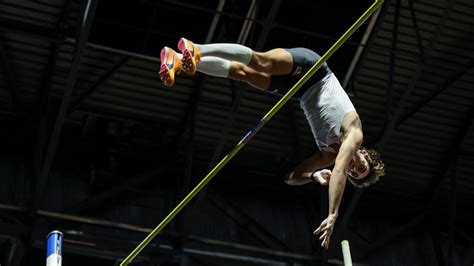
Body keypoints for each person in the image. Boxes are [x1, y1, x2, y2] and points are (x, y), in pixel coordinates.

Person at [159, 38, 385, 249]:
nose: (353, 168)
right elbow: (339, 172)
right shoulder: (355, 135)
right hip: (314, 70)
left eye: (355, 173)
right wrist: (333, 213)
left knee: (243, 73)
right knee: (262, 61)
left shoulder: (327, 156)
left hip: (298, 90)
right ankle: (196, 48)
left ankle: (177, 61)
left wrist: (312, 176)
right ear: (365, 154)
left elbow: (291, 178)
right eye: (361, 167)